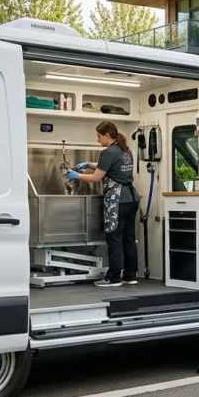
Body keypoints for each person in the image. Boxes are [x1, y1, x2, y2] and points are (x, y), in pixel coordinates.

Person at [67, 121, 139, 288]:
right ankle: (130, 275)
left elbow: (96, 178)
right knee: (129, 238)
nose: (98, 140)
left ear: (107, 135)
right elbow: (108, 168)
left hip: (117, 200)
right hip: (132, 199)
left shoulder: (108, 152)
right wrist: (88, 164)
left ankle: (113, 278)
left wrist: (76, 175)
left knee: (114, 238)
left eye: (99, 137)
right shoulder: (126, 150)